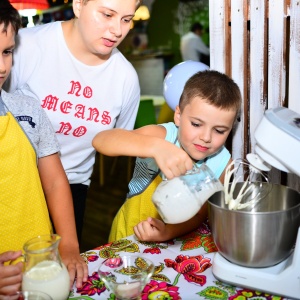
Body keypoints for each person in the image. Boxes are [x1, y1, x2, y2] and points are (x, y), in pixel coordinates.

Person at [4, 0, 142, 243]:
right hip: (16, 182)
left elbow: (117, 141)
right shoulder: (26, 46)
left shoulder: (125, 78)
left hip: (71, 186)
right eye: (108, 15)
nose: (118, 30)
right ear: (78, 5)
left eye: (126, 19)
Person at [92, 70, 242, 242]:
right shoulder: (163, 136)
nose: (206, 137)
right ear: (178, 116)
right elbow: (101, 140)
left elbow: (200, 214)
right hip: (128, 231)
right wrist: (156, 147)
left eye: (219, 130)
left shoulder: (223, 164)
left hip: (173, 240)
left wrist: (167, 232)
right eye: (196, 124)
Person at [0, 0, 87, 294]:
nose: (2, 67)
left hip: (41, 268)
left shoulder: (28, 110)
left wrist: (70, 245)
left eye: (7, 52)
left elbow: (53, 181)